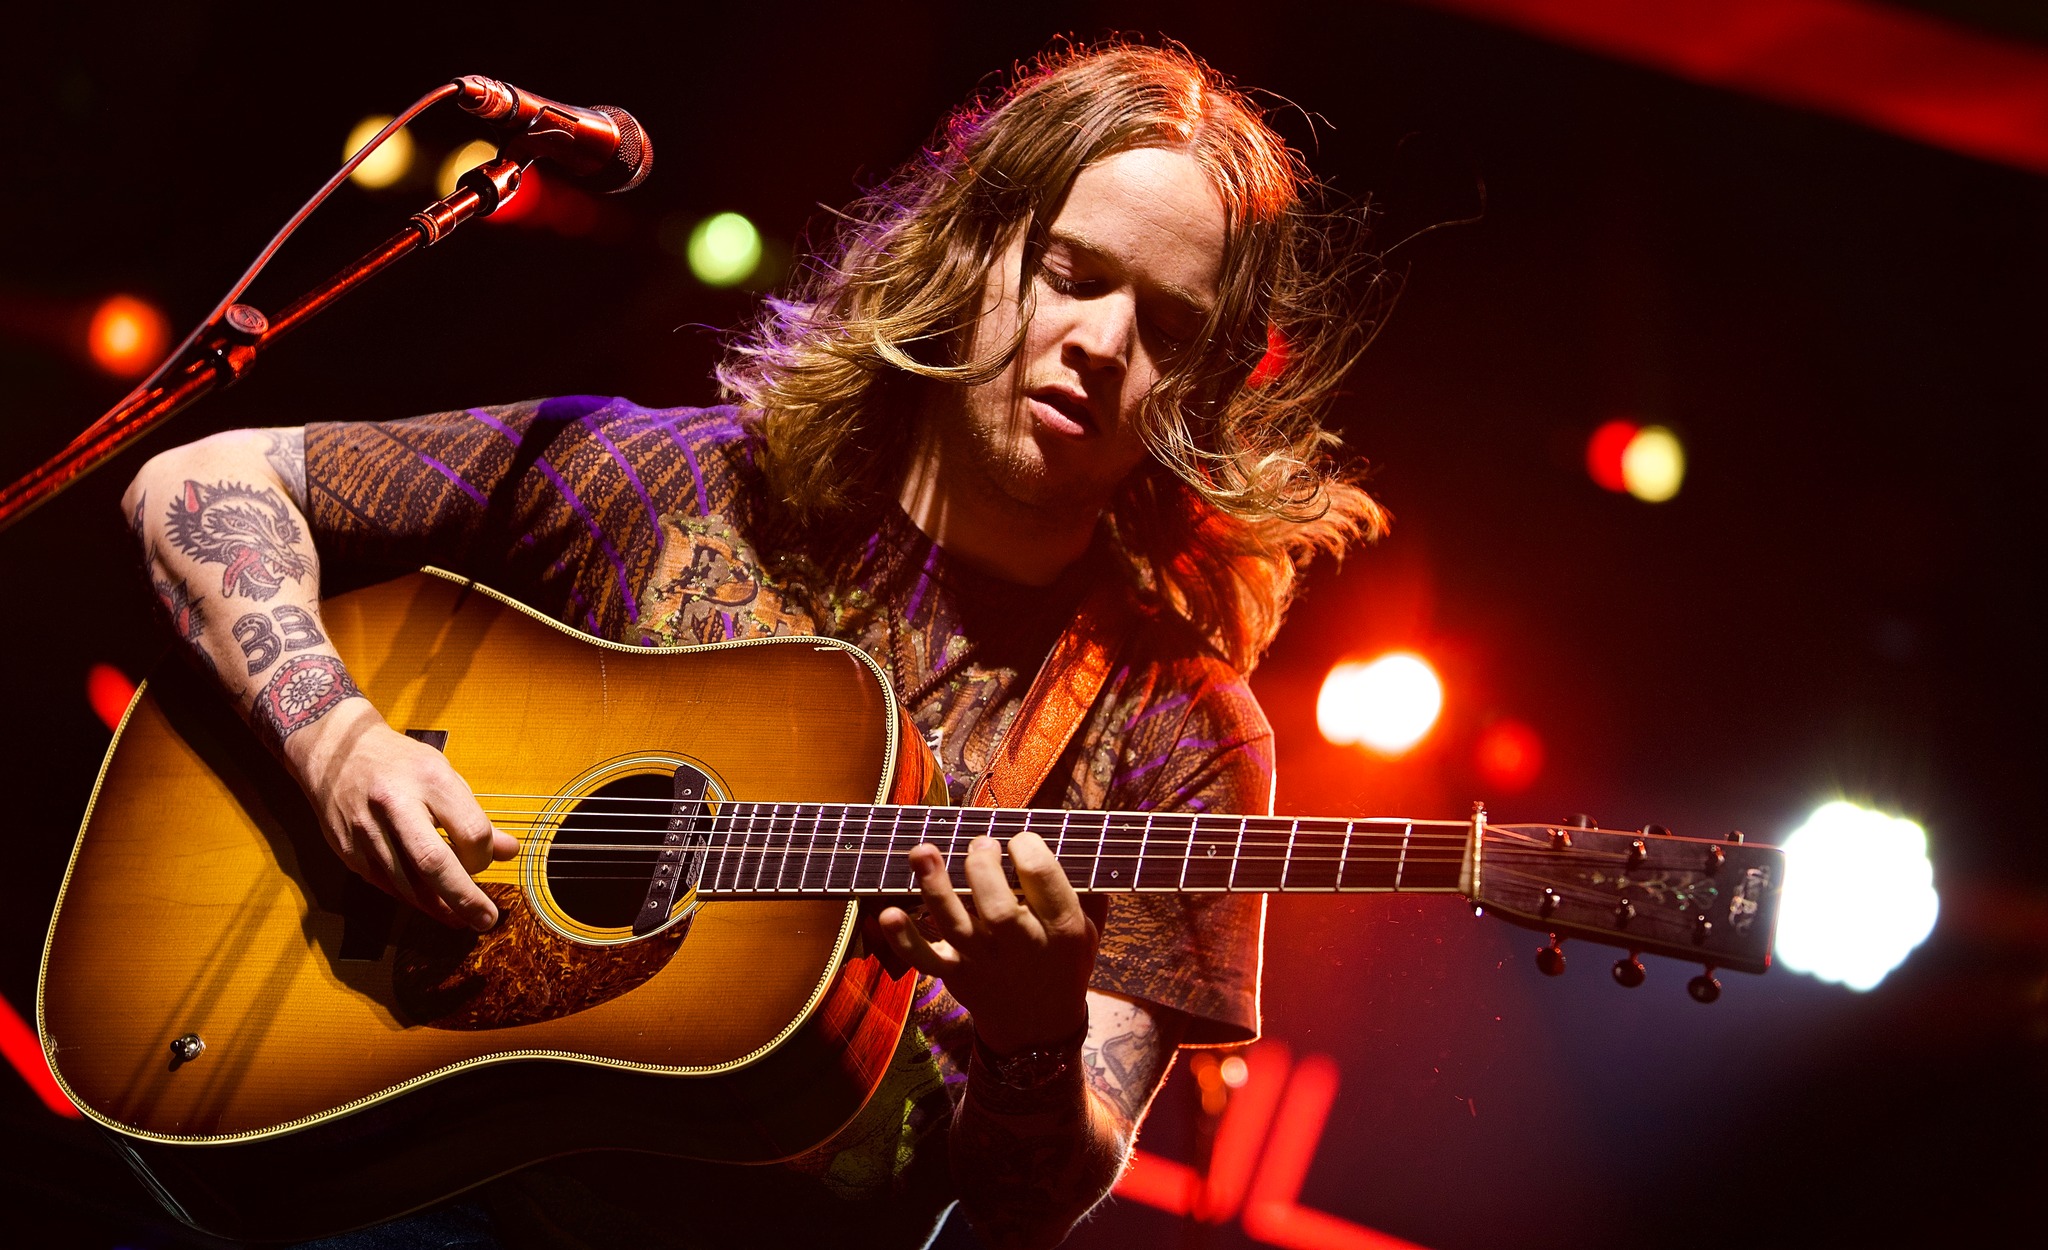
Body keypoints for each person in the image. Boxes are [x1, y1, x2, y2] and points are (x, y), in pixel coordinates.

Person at [121, 41, 1384, 1250]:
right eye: (1072, 273)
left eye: (1168, 326)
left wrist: (1033, 1038)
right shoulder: (666, 480)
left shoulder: (1182, 732)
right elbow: (197, 480)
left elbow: (1015, 1210)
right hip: (405, 1190)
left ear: (1206, 381)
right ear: (976, 250)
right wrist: (341, 745)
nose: (1106, 345)